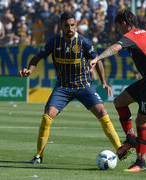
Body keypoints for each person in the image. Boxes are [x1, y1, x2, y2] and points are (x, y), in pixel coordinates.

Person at [19, 12, 123, 164]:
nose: (70, 28)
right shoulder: (54, 42)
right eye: (67, 25)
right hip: (63, 87)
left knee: (102, 112)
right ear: (61, 25)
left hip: (84, 85)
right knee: (47, 115)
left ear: (76, 25)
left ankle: (120, 149)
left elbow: (98, 61)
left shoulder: (83, 42)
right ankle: (38, 155)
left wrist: (104, 82)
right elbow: (38, 57)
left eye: (73, 25)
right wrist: (30, 69)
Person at [88, 10, 146, 172]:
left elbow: (115, 48)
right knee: (119, 102)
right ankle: (130, 140)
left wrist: (97, 58)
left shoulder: (132, 36)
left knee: (141, 121)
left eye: (117, 27)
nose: (117, 31)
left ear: (124, 24)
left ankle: (140, 162)